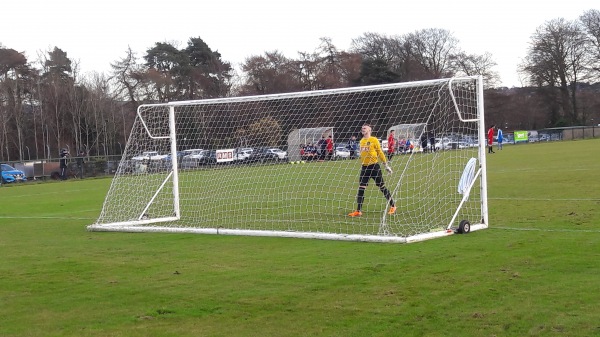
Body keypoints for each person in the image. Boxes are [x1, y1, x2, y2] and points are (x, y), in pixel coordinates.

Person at [348, 124, 396, 217]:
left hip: (374, 167)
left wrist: (386, 165)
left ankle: (393, 206)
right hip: (364, 168)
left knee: (382, 187)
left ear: (369, 130)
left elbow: (380, 152)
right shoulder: (361, 141)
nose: (362, 129)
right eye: (362, 128)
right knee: (361, 188)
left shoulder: (374, 140)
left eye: (364, 128)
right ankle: (358, 211)